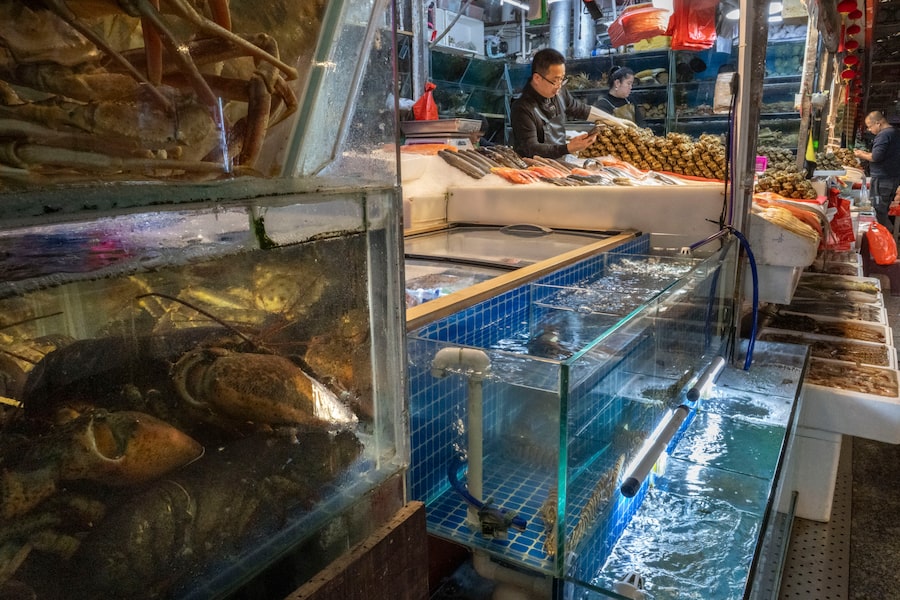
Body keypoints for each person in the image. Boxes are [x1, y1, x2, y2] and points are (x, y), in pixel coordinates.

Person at [511, 48, 635, 159]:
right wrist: (568, 148)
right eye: (555, 80)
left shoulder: (559, 92)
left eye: (562, 79)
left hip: (559, 163)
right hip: (533, 171)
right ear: (537, 78)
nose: (559, 86)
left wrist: (613, 120)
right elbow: (531, 149)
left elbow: (580, 109)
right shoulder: (522, 109)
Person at [854, 111, 900, 229]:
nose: (869, 130)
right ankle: (885, 232)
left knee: (878, 211)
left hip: (882, 179)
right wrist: (866, 153)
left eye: (870, 126)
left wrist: (861, 155)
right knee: (883, 210)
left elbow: (876, 157)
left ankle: (881, 237)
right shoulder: (894, 132)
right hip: (892, 178)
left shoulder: (884, 135)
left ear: (878, 123)